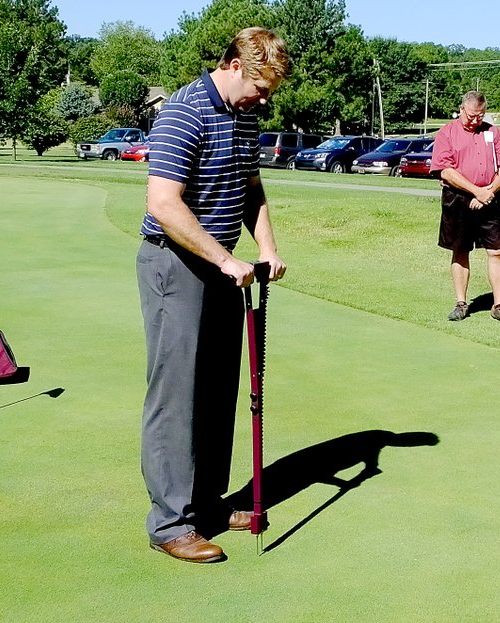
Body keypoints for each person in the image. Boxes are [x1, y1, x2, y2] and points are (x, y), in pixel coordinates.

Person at [136, 27, 290, 563]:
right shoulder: (184, 110)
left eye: (271, 91)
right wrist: (225, 258)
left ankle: (207, 504)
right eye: (260, 87)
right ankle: (170, 523)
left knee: (220, 389)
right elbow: (164, 203)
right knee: (178, 395)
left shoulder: (245, 116)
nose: (264, 100)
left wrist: (265, 248)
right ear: (230, 64)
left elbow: (251, 187)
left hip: (226, 269)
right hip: (175, 263)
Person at [430, 91, 500, 325]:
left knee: (497, 251)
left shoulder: (492, 132)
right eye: (471, 116)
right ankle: (461, 303)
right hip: (458, 199)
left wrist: (487, 192)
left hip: (490, 198)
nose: (475, 120)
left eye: (480, 116)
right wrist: (475, 191)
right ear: (461, 109)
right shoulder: (447, 133)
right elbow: (445, 171)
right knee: (460, 250)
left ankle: (499, 305)